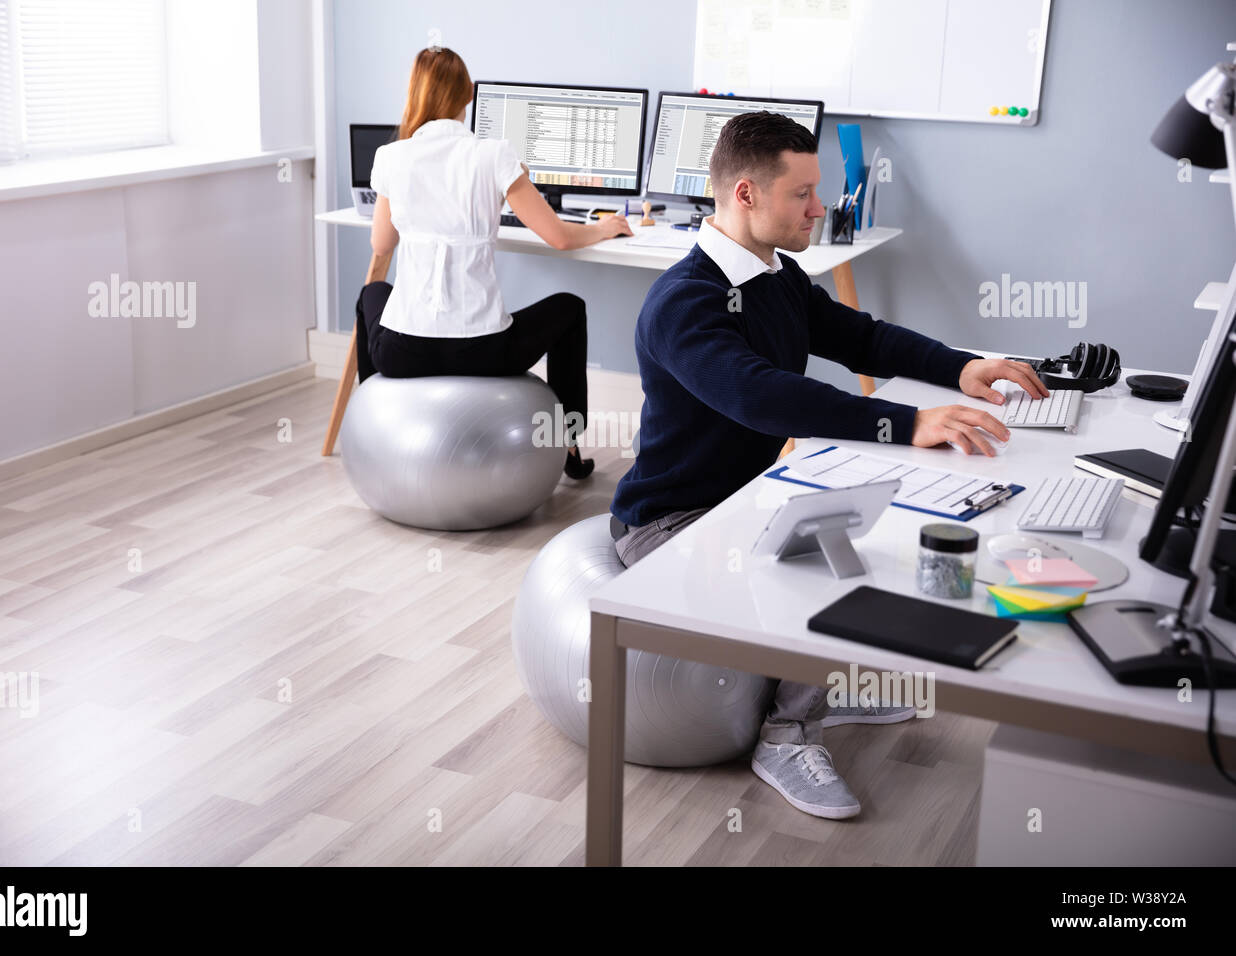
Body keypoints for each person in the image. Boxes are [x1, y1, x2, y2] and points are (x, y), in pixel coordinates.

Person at [609, 111, 1049, 820]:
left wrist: (962, 367)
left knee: (866, 539)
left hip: (748, 497)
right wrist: (909, 423)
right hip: (669, 520)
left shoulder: (776, 276)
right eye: (803, 194)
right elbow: (762, 397)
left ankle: (826, 685)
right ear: (747, 194)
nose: (821, 208)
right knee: (818, 568)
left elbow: (862, 337)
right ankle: (786, 736)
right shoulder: (683, 304)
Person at [357, 47, 633, 479]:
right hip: (483, 351)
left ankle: (371, 436)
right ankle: (571, 449)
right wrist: (604, 227)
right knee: (569, 307)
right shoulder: (493, 155)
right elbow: (559, 237)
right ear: (468, 93)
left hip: (403, 352)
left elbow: (381, 243)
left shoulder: (392, 157)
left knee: (372, 292)